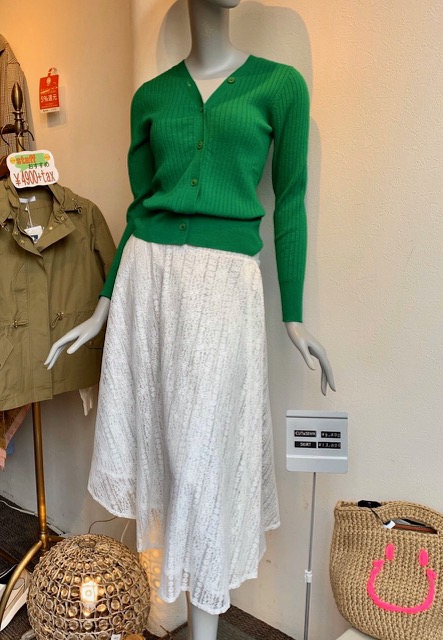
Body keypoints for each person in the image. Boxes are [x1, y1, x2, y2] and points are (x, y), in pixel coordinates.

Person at [46, 0, 335, 637]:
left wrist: (293, 316)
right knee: (169, 449)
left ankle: (201, 616)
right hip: (147, 282)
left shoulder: (280, 86)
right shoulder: (151, 97)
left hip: (224, 289)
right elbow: (141, 210)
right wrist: (103, 304)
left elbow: (290, 201)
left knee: (204, 458)